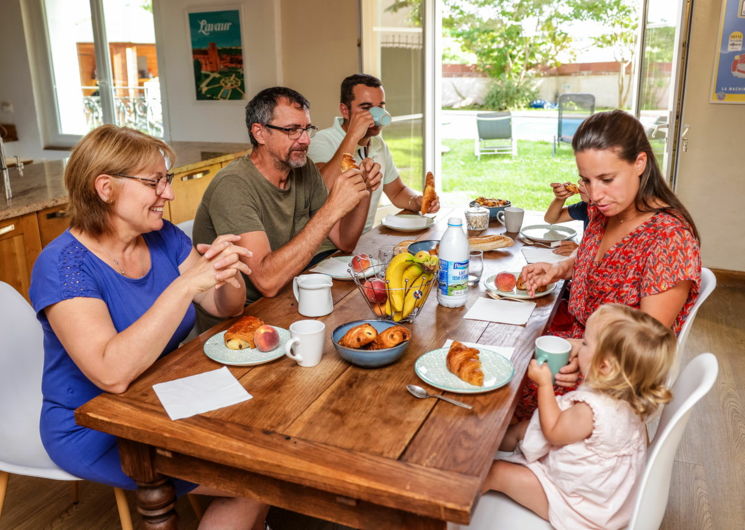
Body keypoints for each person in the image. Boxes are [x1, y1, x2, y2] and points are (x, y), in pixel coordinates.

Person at [29, 125, 267, 529]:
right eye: (154, 182)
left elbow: (223, 307)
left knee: (265, 446)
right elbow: (112, 374)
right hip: (93, 422)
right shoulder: (62, 267)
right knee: (254, 477)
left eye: (167, 180)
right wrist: (187, 284)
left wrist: (227, 273)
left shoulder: (161, 237)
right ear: (105, 187)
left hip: (163, 399)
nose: (168, 194)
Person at [516, 109, 701, 419]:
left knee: (492, 402)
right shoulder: (608, 210)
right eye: (586, 180)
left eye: (606, 179)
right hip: (577, 347)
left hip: (609, 382)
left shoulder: (669, 239)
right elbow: (597, 260)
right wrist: (558, 269)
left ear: (640, 163)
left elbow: (643, 345)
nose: (595, 195)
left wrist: (582, 352)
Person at [193, 86, 371, 331]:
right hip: (238, 323)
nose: (306, 139)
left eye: (307, 128)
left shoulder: (302, 167)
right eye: (292, 130)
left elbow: (345, 241)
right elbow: (267, 281)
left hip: (288, 295)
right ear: (260, 133)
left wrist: (364, 190)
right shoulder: (233, 185)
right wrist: (331, 209)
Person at [485, 304, 677, 529]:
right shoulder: (629, 398)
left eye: (585, 343)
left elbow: (554, 431)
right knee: (526, 427)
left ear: (604, 366)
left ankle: (453, 509)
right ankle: (493, 449)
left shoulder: (592, 410)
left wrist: (545, 383)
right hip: (603, 497)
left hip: (576, 506)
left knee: (495, 472)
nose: (579, 346)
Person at [308, 73, 440, 232]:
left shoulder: (377, 144)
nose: (378, 116)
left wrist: (418, 201)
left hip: (363, 239)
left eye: (380, 107)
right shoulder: (321, 141)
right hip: (326, 247)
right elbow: (322, 191)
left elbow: (397, 192)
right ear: (345, 110)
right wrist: (353, 136)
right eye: (366, 108)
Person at [543, 180, 590, 256]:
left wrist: (581, 250)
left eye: (587, 180)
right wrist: (561, 198)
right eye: (582, 177)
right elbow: (551, 219)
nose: (579, 182)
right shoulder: (587, 206)